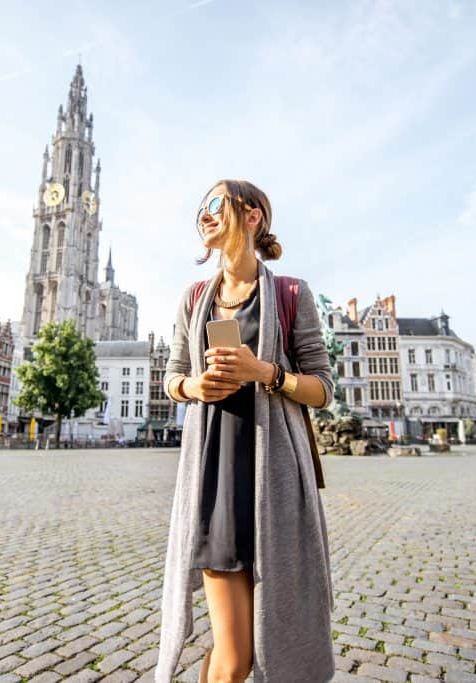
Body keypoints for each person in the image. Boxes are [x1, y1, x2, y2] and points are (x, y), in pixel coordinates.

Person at [155, 180, 336, 683]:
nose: (204, 215)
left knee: (249, 646)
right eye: (200, 209)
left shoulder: (291, 294)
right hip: (216, 483)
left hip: (276, 488)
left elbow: (323, 389)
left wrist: (266, 373)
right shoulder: (194, 297)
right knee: (235, 658)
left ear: (253, 216)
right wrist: (195, 386)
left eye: (215, 204)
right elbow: (172, 377)